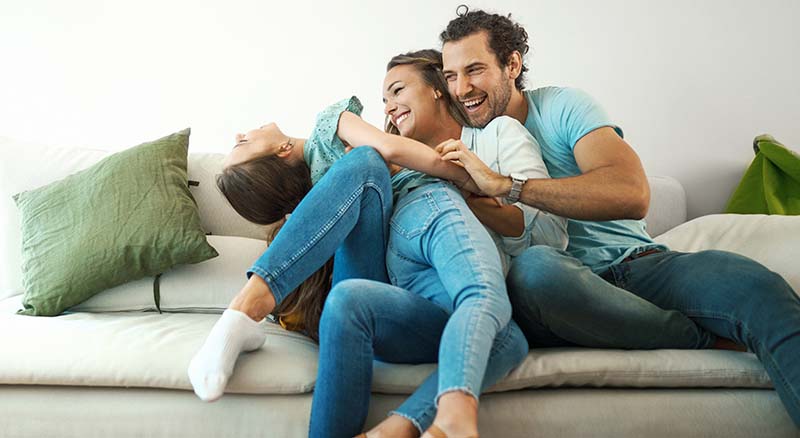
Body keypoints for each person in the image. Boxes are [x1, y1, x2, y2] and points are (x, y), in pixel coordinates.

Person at [437, 6, 800, 426]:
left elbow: (631, 193)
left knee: (759, 287)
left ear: (512, 64)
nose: (462, 88)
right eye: (450, 76)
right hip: (558, 293)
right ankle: (697, 336)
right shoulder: (460, 143)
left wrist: (509, 186)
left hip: (642, 267)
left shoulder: (561, 107)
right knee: (536, 271)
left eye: (474, 70)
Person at [188, 48, 565, 435]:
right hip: (383, 269)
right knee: (367, 161)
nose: (239, 134)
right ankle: (246, 305)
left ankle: (394, 430)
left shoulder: (339, 167)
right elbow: (388, 149)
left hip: (393, 295)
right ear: (283, 151)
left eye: (396, 93)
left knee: (508, 337)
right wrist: (463, 175)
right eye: (242, 144)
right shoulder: (337, 140)